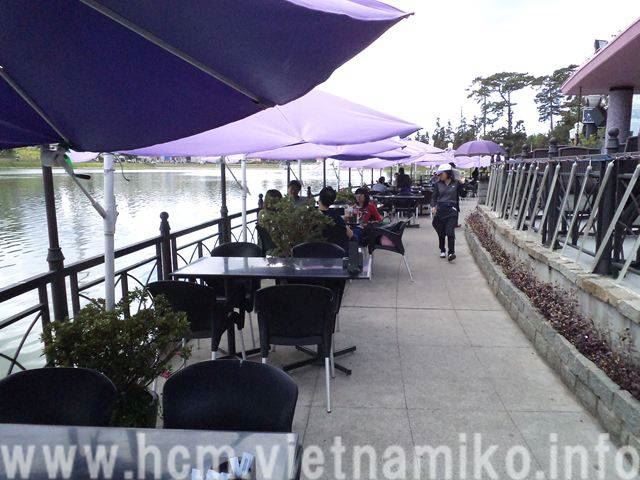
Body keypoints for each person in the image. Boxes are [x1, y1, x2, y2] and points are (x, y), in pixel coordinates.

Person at [431, 164, 465, 262]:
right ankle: (442, 249)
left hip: (452, 211)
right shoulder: (437, 184)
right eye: (438, 174)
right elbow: (433, 197)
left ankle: (451, 253)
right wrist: (433, 206)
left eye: (441, 174)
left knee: (450, 232)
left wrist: (463, 184)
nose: (439, 176)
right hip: (440, 210)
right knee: (441, 232)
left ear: (448, 173)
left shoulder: (456, 183)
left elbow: (463, 194)